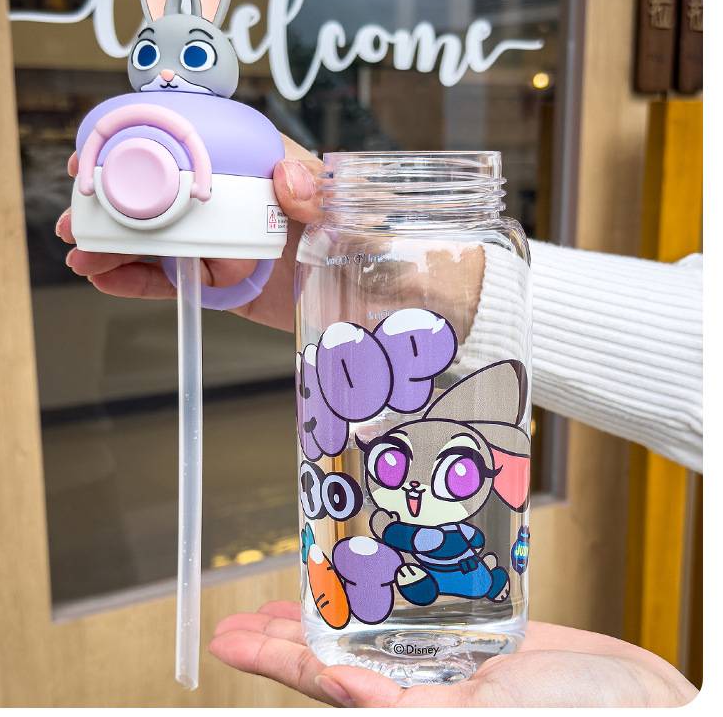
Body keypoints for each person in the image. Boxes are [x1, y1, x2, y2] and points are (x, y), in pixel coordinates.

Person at [56, 138, 701, 707]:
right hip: (364, 618)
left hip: (477, 611)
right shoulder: (324, 248)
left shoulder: (495, 245)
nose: (414, 490)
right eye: (391, 465)